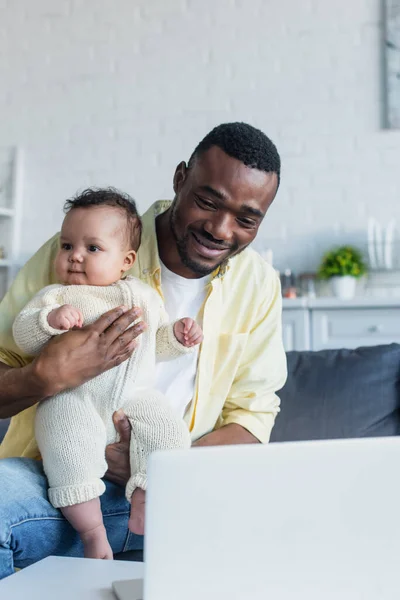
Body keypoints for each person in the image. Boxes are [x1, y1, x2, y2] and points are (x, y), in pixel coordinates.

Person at [0, 122, 287, 579]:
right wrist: (46, 376)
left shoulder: (257, 285)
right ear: (179, 180)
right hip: (56, 477)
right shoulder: (82, 248)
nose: (219, 229)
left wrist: (164, 464)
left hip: (177, 495)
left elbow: (253, 419)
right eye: (206, 202)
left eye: (246, 219)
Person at [12, 188, 203, 560]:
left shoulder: (143, 297)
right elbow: (23, 334)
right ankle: (92, 532)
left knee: (170, 432)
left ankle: (146, 499)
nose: (75, 257)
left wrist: (178, 337)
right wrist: (49, 321)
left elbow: (156, 345)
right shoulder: (58, 295)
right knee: (66, 445)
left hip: (134, 397)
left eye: (92, 248)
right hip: (75, 397)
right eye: (66, 246)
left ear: (126, 260)